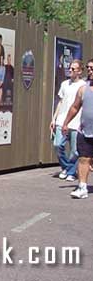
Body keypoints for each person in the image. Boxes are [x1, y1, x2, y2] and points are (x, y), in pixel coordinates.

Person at [50, 59, 85, 182]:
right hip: (61, 120)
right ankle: (67, 167)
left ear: (80, 71)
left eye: (73, 69)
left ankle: (70, 172)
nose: (70, 70)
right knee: (57, 145)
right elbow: (60, 102)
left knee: (75, 151)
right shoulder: (64, 84)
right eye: (69, 68)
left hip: (76, 123)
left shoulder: (83, 86)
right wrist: (54, 119)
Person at [63, 59, 93, 199]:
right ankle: (82, 187)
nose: (90, 70)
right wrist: (66, 123)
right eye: (88, 68)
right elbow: (75, 107)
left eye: (92, 68)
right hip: (85, 131)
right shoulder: (83, 88)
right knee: (83, 159)